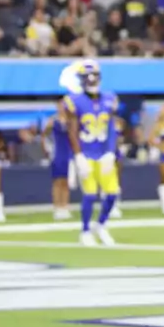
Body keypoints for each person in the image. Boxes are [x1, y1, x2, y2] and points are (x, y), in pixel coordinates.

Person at [63, 60, 121, 245]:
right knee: (89, 194)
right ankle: (85, 230)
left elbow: (112, 127)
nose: (91, 80)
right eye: (87, 77)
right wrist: (78, 155)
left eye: (94, 76)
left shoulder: (110, 98)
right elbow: (72, 130)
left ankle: (101, 225)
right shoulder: (74, 101)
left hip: (103, 151)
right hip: (86, 152)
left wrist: (111, 152)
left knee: (112, 193)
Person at [45, 98, 73, 221]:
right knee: (57, 181)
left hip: (68, 153)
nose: (62, 107)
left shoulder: (71, 120)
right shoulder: (52, 120)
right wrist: (47, 149)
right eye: (60, 105)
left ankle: (65, 206)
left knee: (66, 181)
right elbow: (44, 135)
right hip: (57, 152)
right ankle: (57, 207)